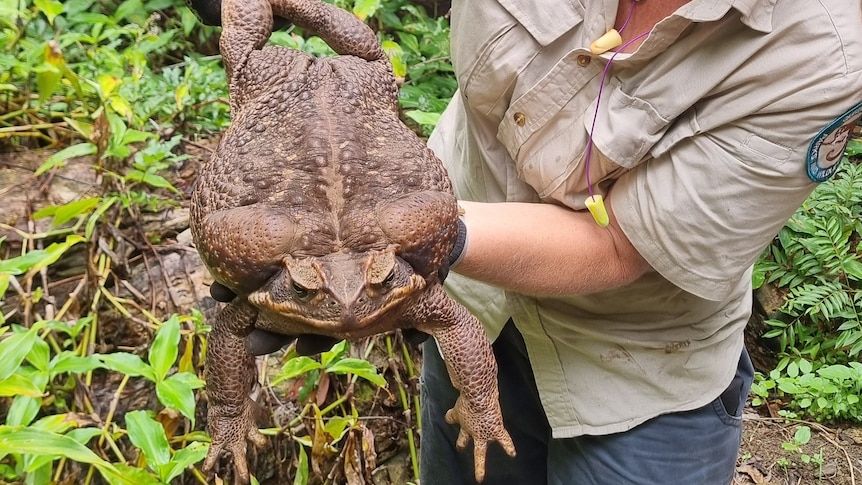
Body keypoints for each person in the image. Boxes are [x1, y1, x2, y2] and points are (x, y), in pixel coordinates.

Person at [192, 0, 862, 483]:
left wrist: (422, 246)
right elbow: (235, 326)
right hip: (459, 290)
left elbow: (619, 245)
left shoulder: (824, 51)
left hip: (634, 361)